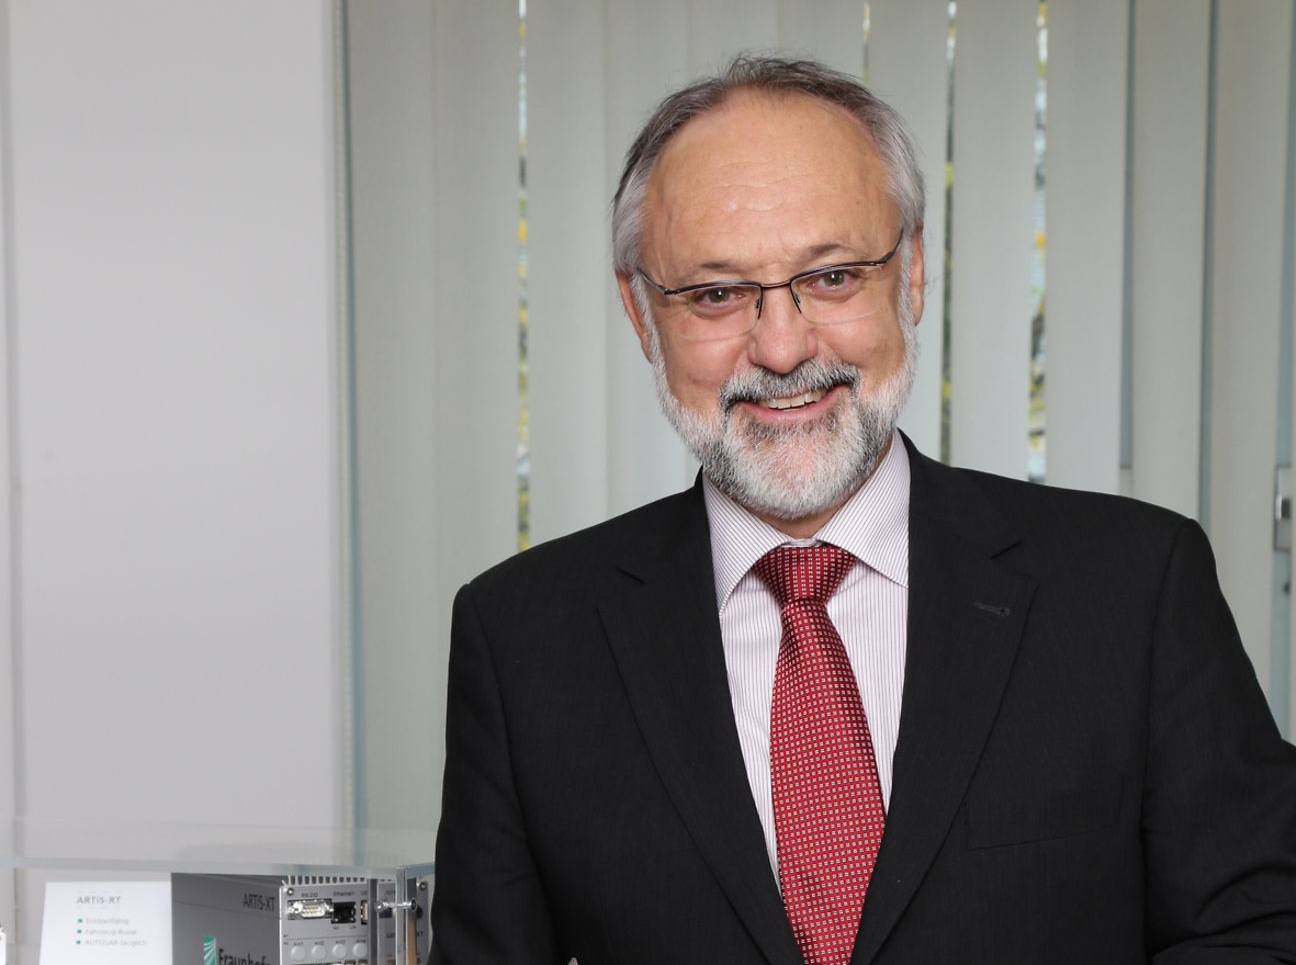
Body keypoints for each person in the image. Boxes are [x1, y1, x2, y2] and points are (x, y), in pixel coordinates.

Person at [430, 56, 1296, 964]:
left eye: (833, 277)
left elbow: (1263, 930)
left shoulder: (1134, 588)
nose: (782, 347)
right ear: (643, 314)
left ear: (911, 273)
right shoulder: (522, 640)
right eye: (717, 294)